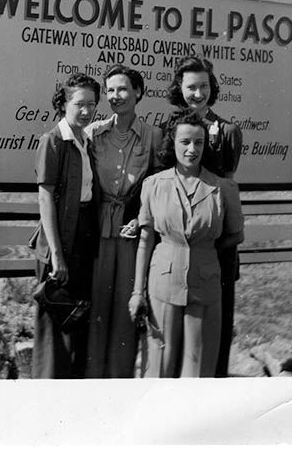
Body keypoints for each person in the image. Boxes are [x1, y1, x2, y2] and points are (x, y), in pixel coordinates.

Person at [128, 109, 244, 377]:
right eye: (185, 142)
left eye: (199, 143)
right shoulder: (154, 185)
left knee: (198, 366)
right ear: (173, 144)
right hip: (162, 284)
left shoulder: (223, 189)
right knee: (159, 364)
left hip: (205, 286)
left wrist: (203, 250)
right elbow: (145, 240)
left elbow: (236, 235)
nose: (192, 149)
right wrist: (137, 292)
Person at [165, 55, 243, 376]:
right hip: (178, 240)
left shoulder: (227, 131)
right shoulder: (169, 128)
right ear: (179, 88)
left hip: (215, 240)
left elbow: (228, 186)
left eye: (204, 86)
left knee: (215, 322)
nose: (198, 93)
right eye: (190, 87)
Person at [84, 65, 162, 378]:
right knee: (97, 306)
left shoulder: (153, 136)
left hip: (132, 233)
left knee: (125, 309)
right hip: (97, 229)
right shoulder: (94, 133)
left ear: (138, 93)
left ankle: (120, 380)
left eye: (123, 89)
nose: (116, 96)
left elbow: (157, 185)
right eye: (111, 90)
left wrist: (139, 217)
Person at [31, 73, 101, 378]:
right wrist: (56, 256)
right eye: (80, 104)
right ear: (64, 103)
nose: (86, 111)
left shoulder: (85, 140)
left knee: (74, 322)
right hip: (58, 243)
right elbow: (45, 200)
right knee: (53, 330)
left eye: (92, 105)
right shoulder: (54, 141)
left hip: (82, 240)